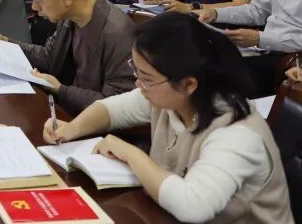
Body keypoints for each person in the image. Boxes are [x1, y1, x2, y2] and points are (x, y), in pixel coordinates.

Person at [44, 13, 292, 223]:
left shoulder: (237, 133)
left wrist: (130, 153)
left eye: (146, 78)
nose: (139, 85)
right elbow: (113, 109)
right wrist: (72, 128)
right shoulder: (169, 95)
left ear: (188, 84)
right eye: (137, 72)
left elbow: (193, 206)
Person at [0, 0, 135, 114]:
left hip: (89, 121)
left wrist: (59, 89)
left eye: (37, 0)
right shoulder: (68, 13)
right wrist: (6, 43)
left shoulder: (117, 33)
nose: (34, 7)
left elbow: (116, 105)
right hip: (65, 109)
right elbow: (49, 56)